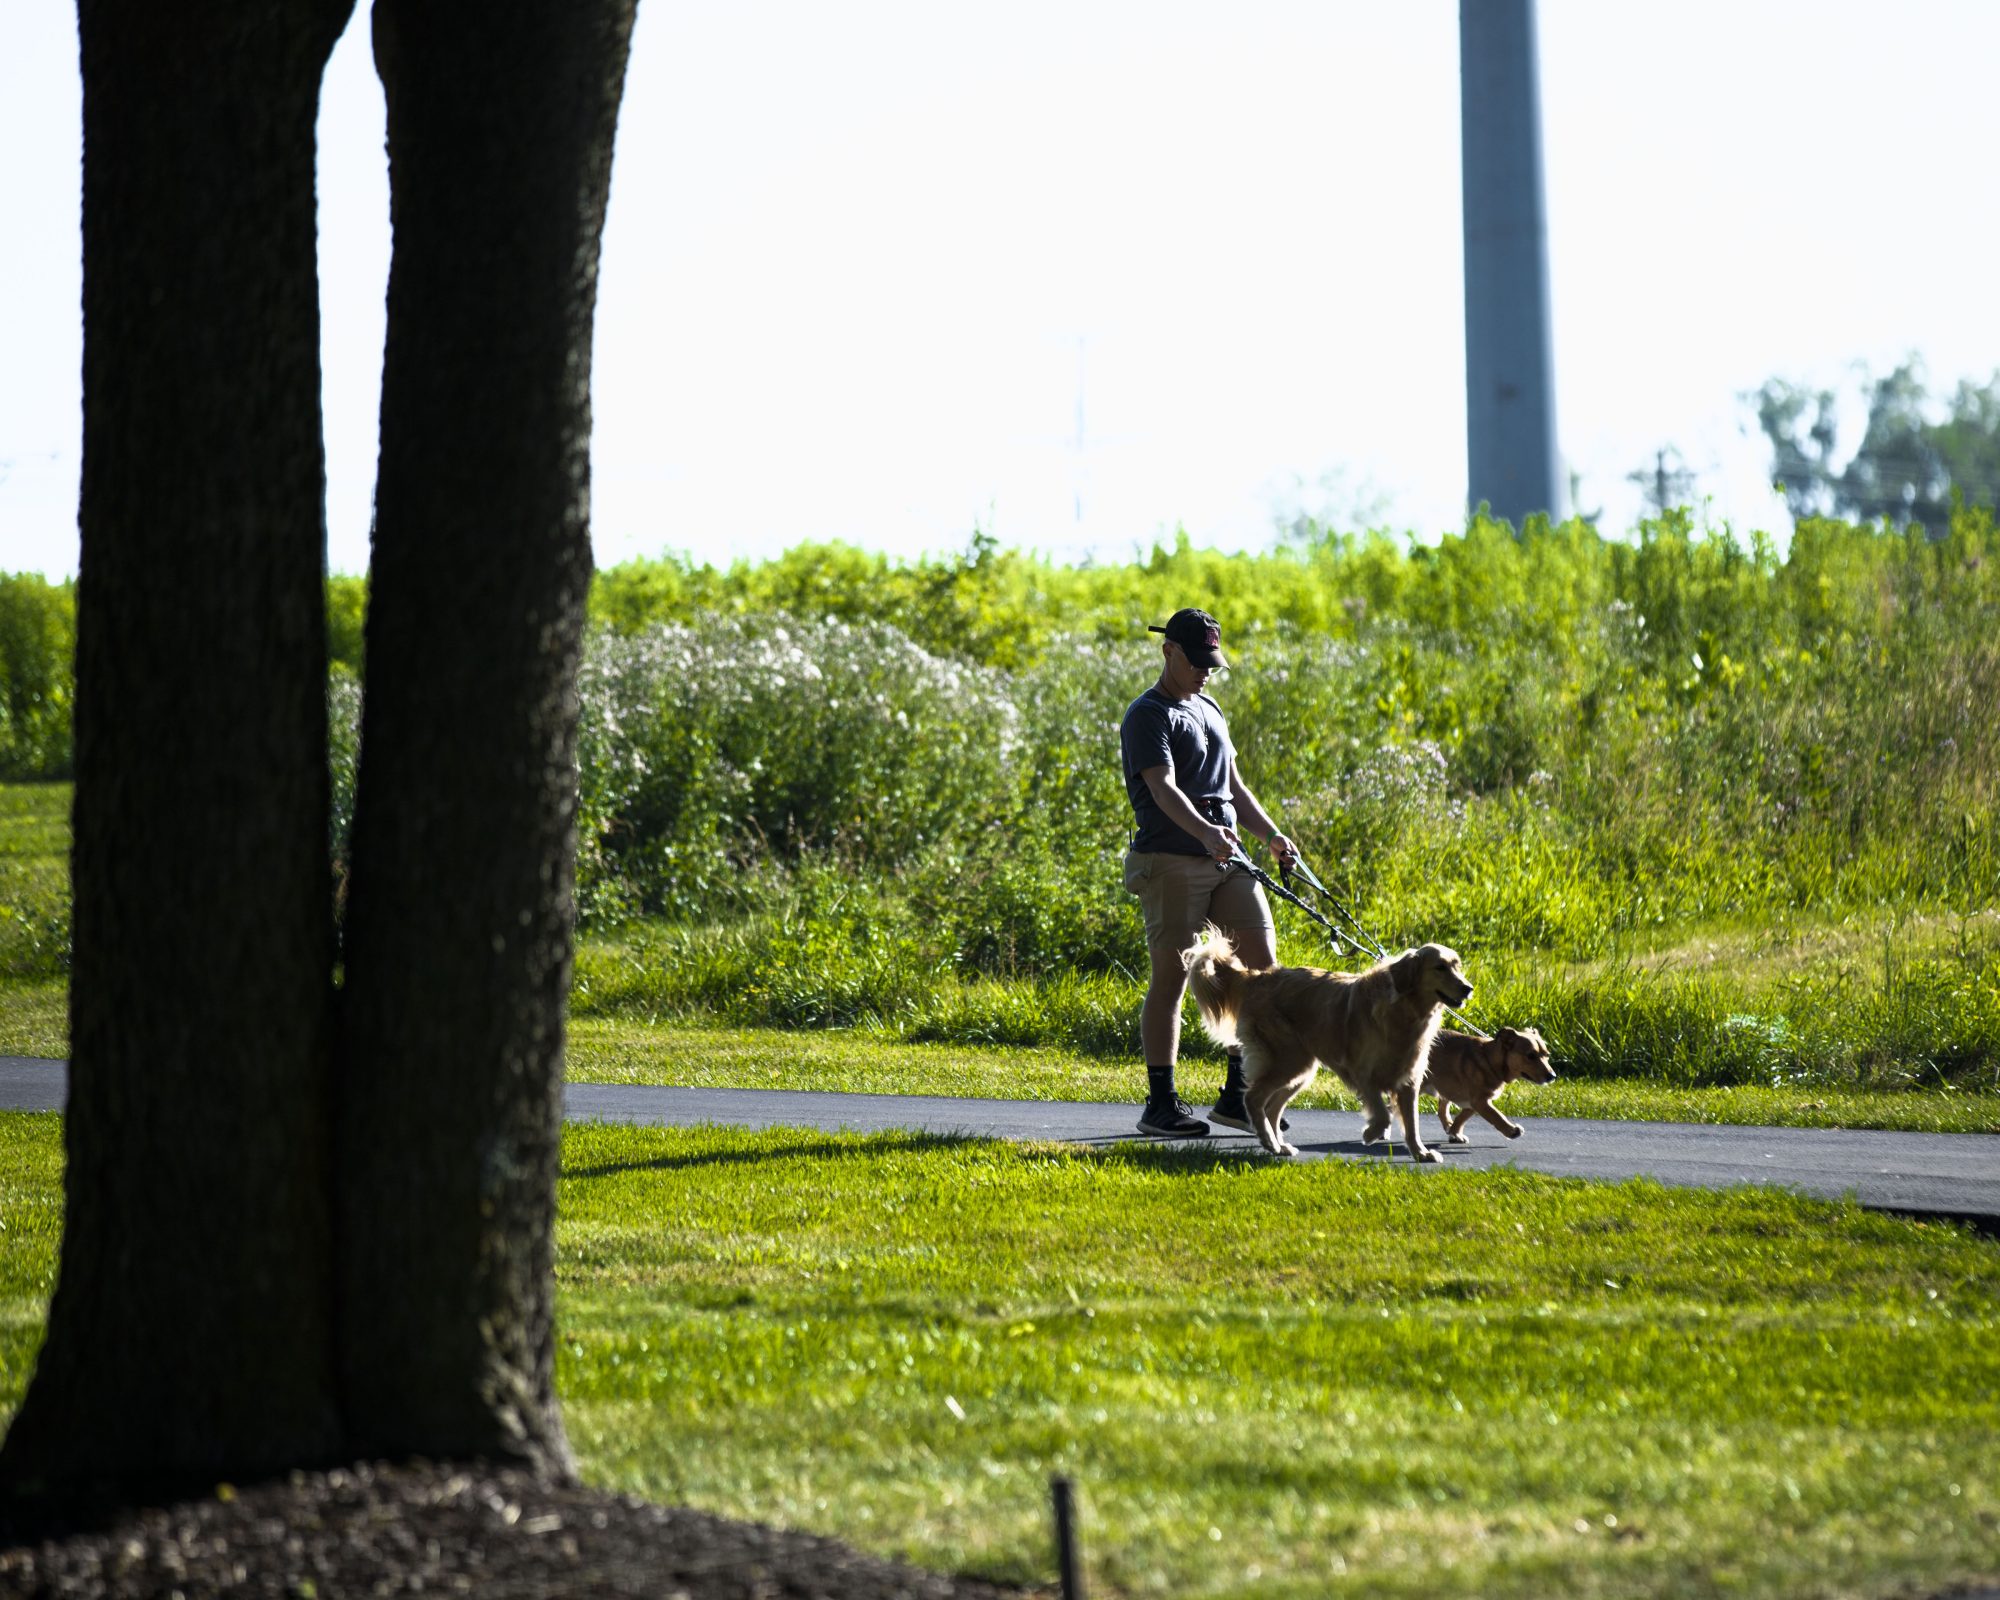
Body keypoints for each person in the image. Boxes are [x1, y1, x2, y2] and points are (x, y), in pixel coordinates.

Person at [1120, 607, 1299, 1137]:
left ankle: (1238, 1098)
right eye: (1196, 661)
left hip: (1228, 860)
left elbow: (1234, 788)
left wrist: (1271, 837)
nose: (1204, 671)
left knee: (1261, 969)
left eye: (1211, 663)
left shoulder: (1210, 707)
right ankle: (1161, 1104)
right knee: (1173, 978)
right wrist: (1204, 833)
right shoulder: (1146, 714)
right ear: (1168, 652)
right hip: (1172, 861)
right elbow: (1162, 788)